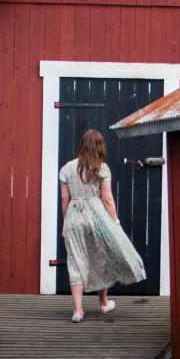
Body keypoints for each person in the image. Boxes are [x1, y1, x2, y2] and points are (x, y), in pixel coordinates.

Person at [58, 128, 146, 322]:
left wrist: (66, 223)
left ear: (81, 145)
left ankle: (78, 311)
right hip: (96, 215)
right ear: (99, 147)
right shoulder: (101, 168)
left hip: (74, 216)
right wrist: (115, 221)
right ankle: (103, 303)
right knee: (101, 256)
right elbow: (107, 198)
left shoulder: (66, 168)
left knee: (76, 262)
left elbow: (65, 198)